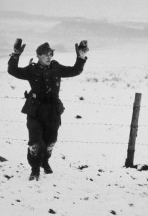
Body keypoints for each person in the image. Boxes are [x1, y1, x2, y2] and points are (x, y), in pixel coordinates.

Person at [8, 39, 89, 181]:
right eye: (45, 54)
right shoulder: (31, 70)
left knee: (50, 142)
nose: (49, 57)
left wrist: (81, 56)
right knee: (36, 143)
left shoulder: (56, 68)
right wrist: (15, 55)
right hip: (35, 111)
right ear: (38, 55)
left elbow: (75, 70)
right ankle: (34, 169)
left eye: (50, 54)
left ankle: (45, 162)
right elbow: (12, 70)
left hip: (53, 111)